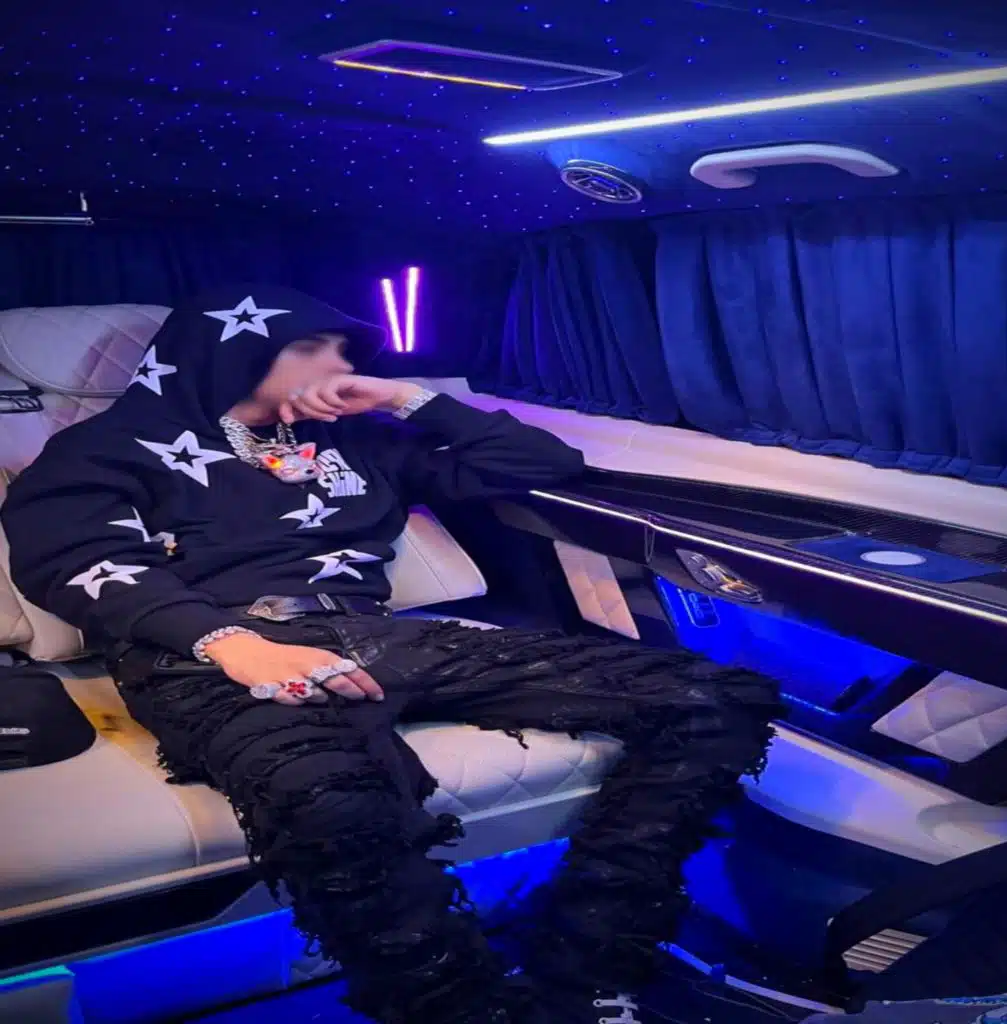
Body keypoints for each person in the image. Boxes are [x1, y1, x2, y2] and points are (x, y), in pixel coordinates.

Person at [2, 286, 782, 1024]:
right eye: (312, 346)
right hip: (208, 650)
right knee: (332, 802)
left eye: (346, 350)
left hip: (382, 634)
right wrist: (231, 643)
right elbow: (74, 559)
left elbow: (545, 466)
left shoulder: (359, 439)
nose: (340, 365)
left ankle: (586, 967)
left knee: (717, 700)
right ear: (230, 349)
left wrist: (405, 397)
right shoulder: (105, 447)